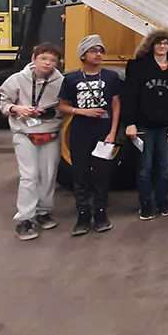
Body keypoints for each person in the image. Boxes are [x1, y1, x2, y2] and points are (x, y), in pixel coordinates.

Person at [0, 42, 65, 241]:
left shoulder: (61, 82)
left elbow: (64, 107)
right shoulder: (17, 79)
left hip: (50, 132)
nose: (48, 63)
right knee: (29, 176)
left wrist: (50, 112)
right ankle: (25, 219)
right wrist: (17, 109)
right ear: (33, 59)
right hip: (24, 133)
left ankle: (43, 211)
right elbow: (4, 103)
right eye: (43, 58)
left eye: (52, 60)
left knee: (48, 174)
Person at [58, 34, 122, 235]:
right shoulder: (71, 79)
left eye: (101, 51)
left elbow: (116, 106)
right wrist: (81, 111)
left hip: (103, 133)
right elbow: (62, 106)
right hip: (80, 132)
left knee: (102, 175)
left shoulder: (111, 77)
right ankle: (83, 215)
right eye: (93, 51)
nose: (98, 54)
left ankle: (101, 213)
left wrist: (113, 133)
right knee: (80, 175)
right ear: (83, 55)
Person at [123, 29, 168, 221]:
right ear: (151, 45)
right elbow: (129, 96)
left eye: (166, 43)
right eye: (159, 43)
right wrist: (130, 123)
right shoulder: (138, 66)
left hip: (166, 126)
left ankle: (163, 202)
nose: (162, 46)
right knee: (145, 167)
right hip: (144, 125)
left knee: (164, 167)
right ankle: (146, 205)